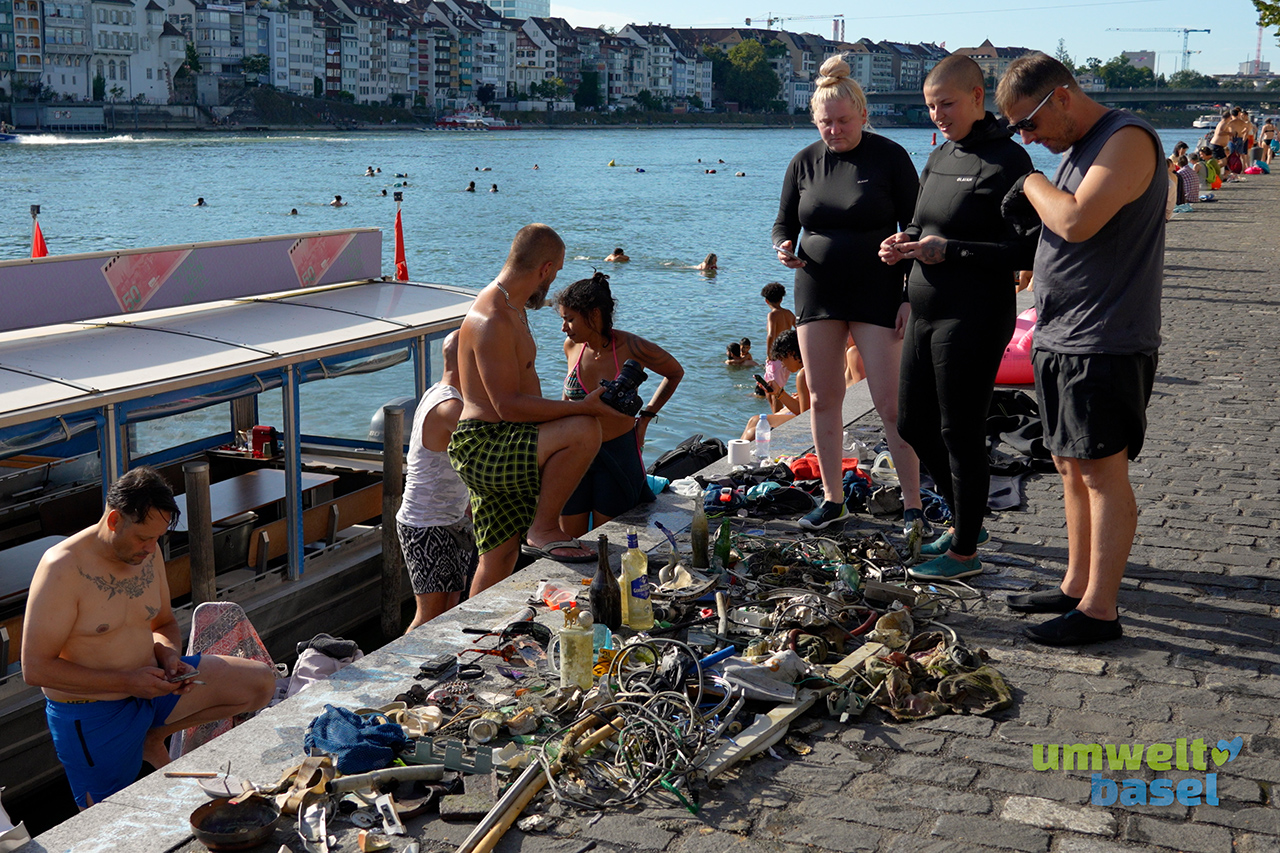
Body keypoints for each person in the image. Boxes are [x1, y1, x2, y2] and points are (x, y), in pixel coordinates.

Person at [996, 52, 1164, 646]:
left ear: (1062, 96)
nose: (1027, 137)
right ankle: (1075, 584)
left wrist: (1031, 183)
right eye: (1019, 130)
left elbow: (1076, 222)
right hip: (1063, 333)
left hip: (1106, 338)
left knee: (1101, 472)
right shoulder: (1076, 149)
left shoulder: (1127, 139)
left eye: (1029, 123)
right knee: (1069, 464)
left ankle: (1100, 610)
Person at [21, 467, 275, 809]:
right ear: (113, 521)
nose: (151, 548)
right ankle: (141, 742)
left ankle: (154, 736)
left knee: (260, 684)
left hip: (154, 685)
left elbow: (165, 623)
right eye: (143, 538)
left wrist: (170, 658)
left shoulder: (147, 552)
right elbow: (35, 669)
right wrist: (127, 681)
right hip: (93, 713)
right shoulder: (62, 569)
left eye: (158, 538)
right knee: (108, 818)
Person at [879, 55, 1038, 578]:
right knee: (912, 422)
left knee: (959, 431)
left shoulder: (1008, 163)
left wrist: (952, 251)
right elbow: (924, 222)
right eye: (930, 106)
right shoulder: (941, 154)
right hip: (926, 309)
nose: (938, 114)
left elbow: (1026, 250)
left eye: (946, 103)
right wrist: (903, 243)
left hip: (973, 314)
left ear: (977, 96)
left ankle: (965, 551)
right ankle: (970, 521)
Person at [772, 55, 924, 533]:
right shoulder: (804, 162)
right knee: (822, 396)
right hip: (817, 291)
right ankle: (832, 499)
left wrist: (908, 294)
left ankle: (915, 506)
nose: (834, 131)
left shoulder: (890, 156)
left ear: (862, 114)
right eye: (825, 123)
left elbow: (917, 225)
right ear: (814, 121)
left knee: (891, 404)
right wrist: (782, 246)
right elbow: (785, 221)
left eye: (842, 121)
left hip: (879, 291)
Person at [448, 224, 634, 594]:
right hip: (487, 443)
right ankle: (544, 527)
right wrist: (580, 407)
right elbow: (507, 406)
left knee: (498, 558)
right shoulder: (493, 318)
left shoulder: (513, 308)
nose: (554, 282)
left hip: (507, 440)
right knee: (584, 428)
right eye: (559, 271)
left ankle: (474, 636)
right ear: (545, 269)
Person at [555, 271, 683, 537]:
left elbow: (674, 373)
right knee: (569, 540)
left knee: (609, 539)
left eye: (569, 319)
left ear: (594, 314)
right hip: (575, 454)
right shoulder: (571, 347)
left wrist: (645, 417)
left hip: (616, 454)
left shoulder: (632, 346)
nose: (564, 328)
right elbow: (566, 400)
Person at [397, 331, 476, 631]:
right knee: (429, 614)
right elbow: (483, 444)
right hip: (425, 522)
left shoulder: (438, 391)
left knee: (450, 606)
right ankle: (404, 670)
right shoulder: (450, 407)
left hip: (449, 518)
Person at [743, 329, 808, 440]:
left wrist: (780, 393)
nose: (782, 365)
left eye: (782, 359)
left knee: (754, 429)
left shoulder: (803, 375)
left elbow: (804, 415)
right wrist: (779, 392)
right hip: (813, 416)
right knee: (754, 421)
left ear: (791, 354)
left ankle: (732, 454)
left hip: (809, 422)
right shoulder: (811, 368)